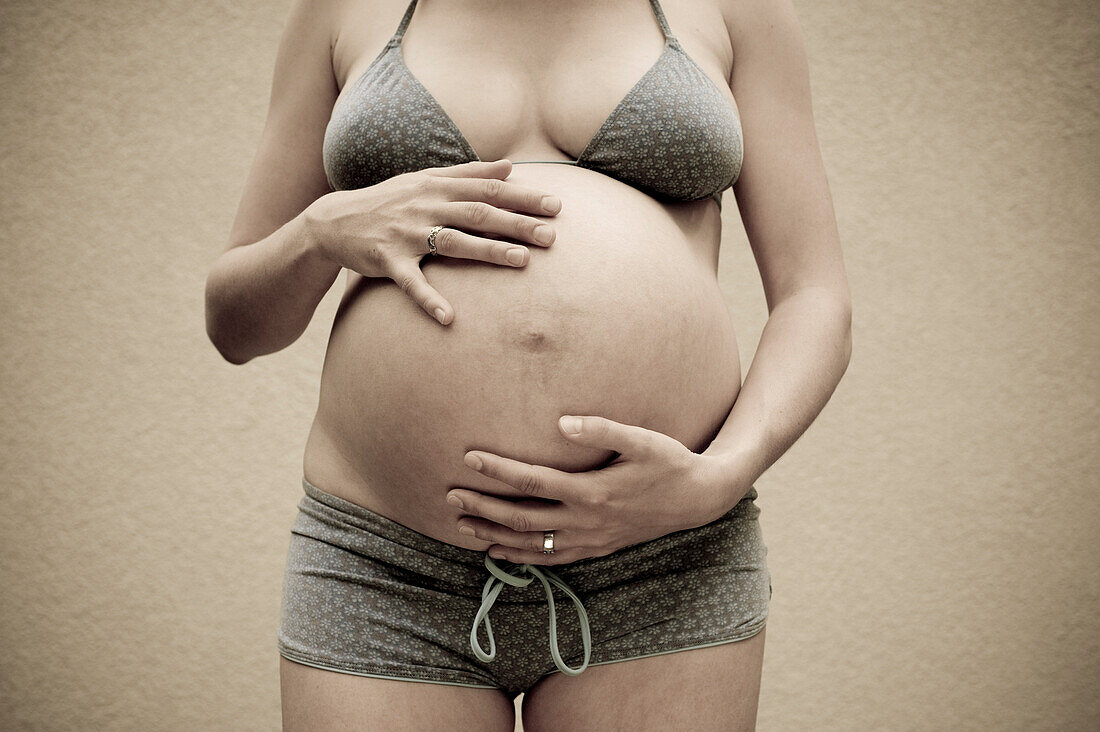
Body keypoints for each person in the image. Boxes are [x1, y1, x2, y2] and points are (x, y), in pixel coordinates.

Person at [204, 0, 851, 728]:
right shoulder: (344, 9)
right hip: (389, 566)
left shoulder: (736, 10)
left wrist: (719, 478)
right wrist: (323, 230)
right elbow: (234, 324)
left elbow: (814, 297)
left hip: (661, 554)